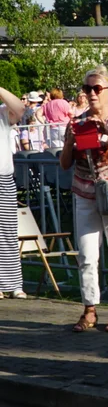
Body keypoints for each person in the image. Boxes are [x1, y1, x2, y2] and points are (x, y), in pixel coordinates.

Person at [59, 66, 108, 332]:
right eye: (86, 89)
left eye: (97, 89)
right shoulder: (78, 122)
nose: (91, 94)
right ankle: (89, 308)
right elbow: (65, 164)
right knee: (87, 254)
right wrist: (69, 141)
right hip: (85, 190)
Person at [0, 85, 26, 299]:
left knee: (8, 232)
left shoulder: (2, 113)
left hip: (3, 178)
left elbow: (19, 109)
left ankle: (14, 283)